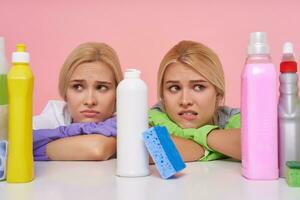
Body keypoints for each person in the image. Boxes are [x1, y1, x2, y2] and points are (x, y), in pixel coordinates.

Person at [149, 40, 241, 162]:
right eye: (174, 88)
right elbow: (146, 151)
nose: (185, 101)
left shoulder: (231, 118)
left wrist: (198, 139)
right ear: (162, 95)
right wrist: (217, 147)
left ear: (218, 93)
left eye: (198, 87)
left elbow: (259, 148)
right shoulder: (154, 117)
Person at [33, 42, 123, 161]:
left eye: (102, 87)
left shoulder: (124, 120)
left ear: (118, 93)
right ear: (65, 91)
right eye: (78, 87)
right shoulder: (52, 116)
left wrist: (35, 148)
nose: (90, 101)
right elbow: (96, 148)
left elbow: (97, 148)